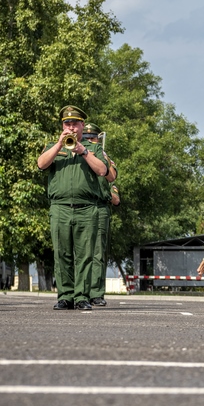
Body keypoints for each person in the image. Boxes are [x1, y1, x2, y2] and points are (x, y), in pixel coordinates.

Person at [37, 105, 108, 310]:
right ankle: (65, 296)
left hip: (87, 208)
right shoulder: (53, 146)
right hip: (60, 207)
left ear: (82, 126)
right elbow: (41, 164)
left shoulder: (93, 148)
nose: (71, 127)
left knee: (85, 255)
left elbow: (103, 170)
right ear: (62, 126)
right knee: (62, 254)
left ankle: (82, 297)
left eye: (74, 124)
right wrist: (60, 144)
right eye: (67, 124)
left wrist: (84, 151)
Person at [82, 123, 119, 307]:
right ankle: (80, 292)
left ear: (98, 139)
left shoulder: (104, 156)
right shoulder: (78, 154)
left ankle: (96, 293)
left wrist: (101, 158)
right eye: (86, 138)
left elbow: (112, 176)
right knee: (80, 251)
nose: (89, 141)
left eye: (93, 138)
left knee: (97, 252)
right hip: (81, 204)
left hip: (99, 207)